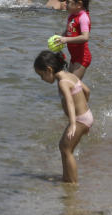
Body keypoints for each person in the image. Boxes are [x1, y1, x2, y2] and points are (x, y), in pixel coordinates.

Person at [33, 50, 92, 184]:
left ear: (49, 70)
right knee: (64, 147)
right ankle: (67, 178)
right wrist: (85, 107)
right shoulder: (70, 75)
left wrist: (73, 124)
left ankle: (72, 182)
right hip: (86, 116)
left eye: (41, 75)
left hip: (79, 120)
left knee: (66, 149)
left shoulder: (62, 82)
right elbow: (87, 91)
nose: (42, 79)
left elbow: (70, 101)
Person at [58, 0, 91, 77]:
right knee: (70, 83)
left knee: (72, 85)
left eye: (68, 2)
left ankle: (85, 91)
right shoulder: (72, 15)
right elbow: (69, 31)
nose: (65, 4)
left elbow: (85, 37)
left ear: (79, 4)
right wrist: (61, 37)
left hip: (82, 57)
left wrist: (66, 40)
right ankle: (83, 90)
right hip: (74, 57)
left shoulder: (83, 18)